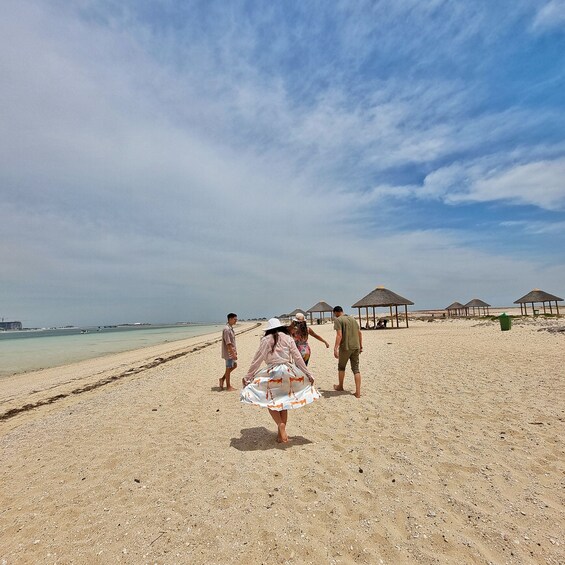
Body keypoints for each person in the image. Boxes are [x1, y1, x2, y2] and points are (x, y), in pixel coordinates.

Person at [241, 318, 320, 443]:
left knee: (271, 402)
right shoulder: (288, 338)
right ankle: (280, 434)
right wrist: (308, 373)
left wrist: (248, 376)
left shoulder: (266, 339)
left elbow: (257, 359)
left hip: (272, 372)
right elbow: (298, 357)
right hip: (287, 371)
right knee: (284, 402)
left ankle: (280, 425)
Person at [332, 306, 363, 398]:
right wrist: (361, 346)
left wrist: (335, 348)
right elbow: (360, 333)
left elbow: (339, 335)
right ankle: (358, 392)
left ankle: (340, 386)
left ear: (336, 312)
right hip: (356, 346)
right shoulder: (353, 319)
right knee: (356, 369)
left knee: (341, 367)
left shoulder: (338, 320)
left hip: (345, 347)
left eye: (334, 313)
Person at [220, 313, 238, 391]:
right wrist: (232, 353)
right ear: (230, 319)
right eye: (235, 319)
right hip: (229, 353)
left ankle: (222, 379)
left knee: (234, 365)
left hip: (231, 351)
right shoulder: (227, 329)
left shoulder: (230, 328)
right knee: (228, 368)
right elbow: (228, 343)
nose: (236, 320)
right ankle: (228, 386)